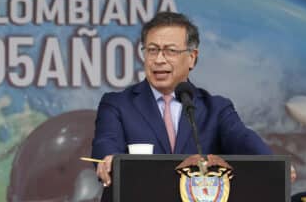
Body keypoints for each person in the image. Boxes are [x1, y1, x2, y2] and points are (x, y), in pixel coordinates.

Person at [91, 11, 273, 191]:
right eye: (152, 50)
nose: (159, 60)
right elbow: (106, 142)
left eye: (170, 51)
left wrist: (273, 164)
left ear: (192, 58)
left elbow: (242, 138)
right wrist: (109, 159)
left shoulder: (216, 109)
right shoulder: (117, 104)